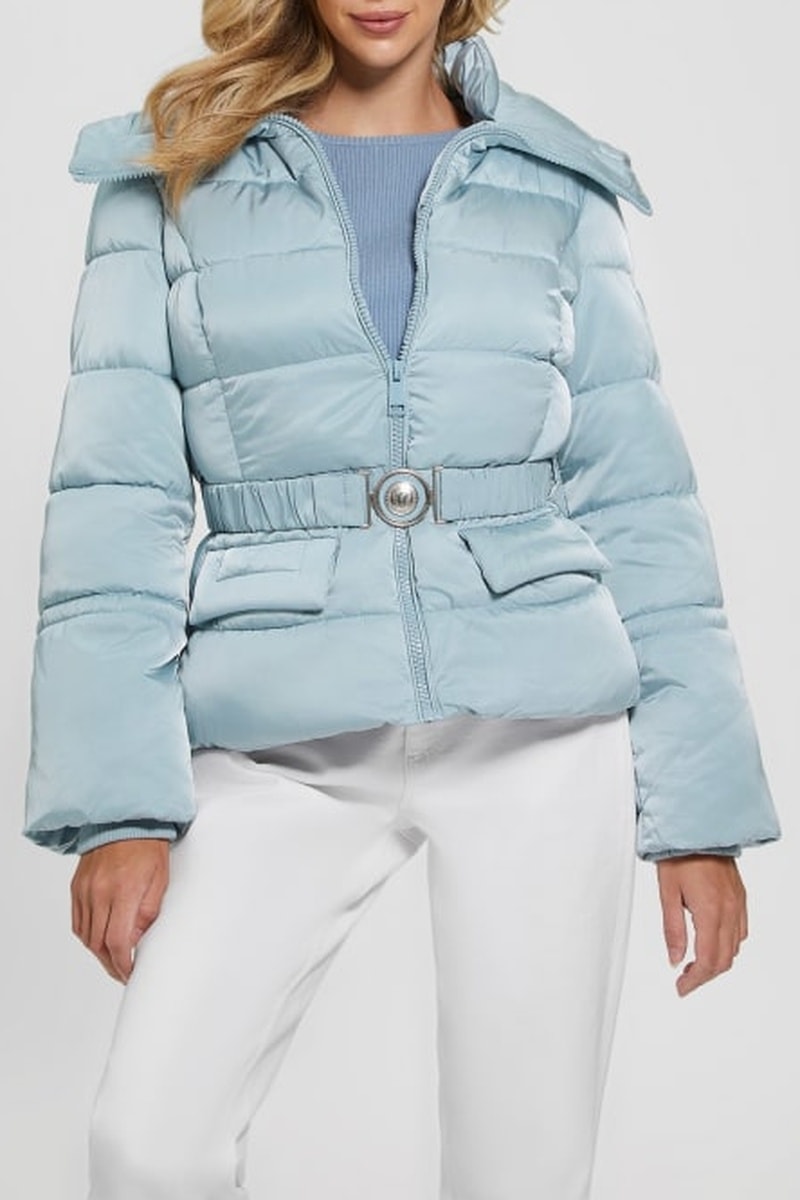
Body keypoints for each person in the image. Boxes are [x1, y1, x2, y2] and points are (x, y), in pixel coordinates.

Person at [22, 1, 781, 1197]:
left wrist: (697, 815)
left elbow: (640, 494)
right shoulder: (169, 176)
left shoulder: (550, 179)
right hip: (275, 730)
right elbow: (113, 499)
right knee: (147, 1143)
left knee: (521, 1173)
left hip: (539, 724)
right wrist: (116, 807)